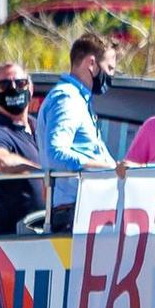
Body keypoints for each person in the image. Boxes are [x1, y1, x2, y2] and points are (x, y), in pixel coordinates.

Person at [38, 32, 125, 233]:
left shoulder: (79, 100)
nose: (110, 75)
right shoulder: (67, 99)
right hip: (74, 212)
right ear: (92, 64)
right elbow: (56, 154)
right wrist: (109, 168)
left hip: (85, 209)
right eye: (109, 68)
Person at [0, 62, 44, 236]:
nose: (13, 88)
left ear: (30, 89)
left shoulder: (41, 128)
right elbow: (1, 162)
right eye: (4, 85)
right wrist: (43, 172)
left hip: (45, 233)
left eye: (20, 83)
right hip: (9, 240)